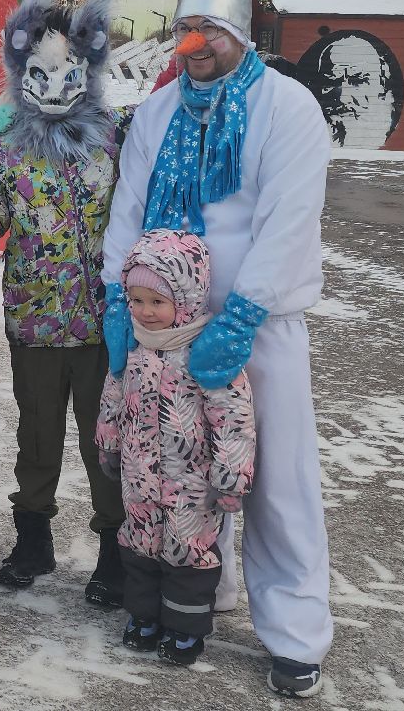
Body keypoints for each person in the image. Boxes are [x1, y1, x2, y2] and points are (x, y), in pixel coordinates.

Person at [102, 0, 333, 699]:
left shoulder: (287, 108)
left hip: (255, 328)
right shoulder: (160, 112)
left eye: (208, 28)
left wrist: (242, 314)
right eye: (185, 28)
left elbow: (289, 217)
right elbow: (129, 205)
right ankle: (205, 587)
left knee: (274, 480)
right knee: (179, 474)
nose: (193, 42)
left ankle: (295, 632)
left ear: (240, 31)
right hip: (164, 327)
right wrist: (117, 295)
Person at [0, 0, 129, 602]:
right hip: (36, 321)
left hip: (103, 325)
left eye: (68, 73)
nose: (54, 86)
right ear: (20, 75)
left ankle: (114, 549)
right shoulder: (9, 147)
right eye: (38, 74)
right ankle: (33, 539)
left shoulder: (113, 141)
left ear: (87, 72)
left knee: (106, 438)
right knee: (38, 435)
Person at [97, 229, 255, 667]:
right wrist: (108, 443)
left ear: (184, 300)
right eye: (137, 301)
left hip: (192, 484)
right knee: (141, 543)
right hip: (140, 474)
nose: (145, 313)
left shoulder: (205, 356)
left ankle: (185, 629)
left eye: (157, 302)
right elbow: (113, 397)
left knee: (188, 551)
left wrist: (231, 477)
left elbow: (232, 420)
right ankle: (144, 617)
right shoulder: (132, 347)